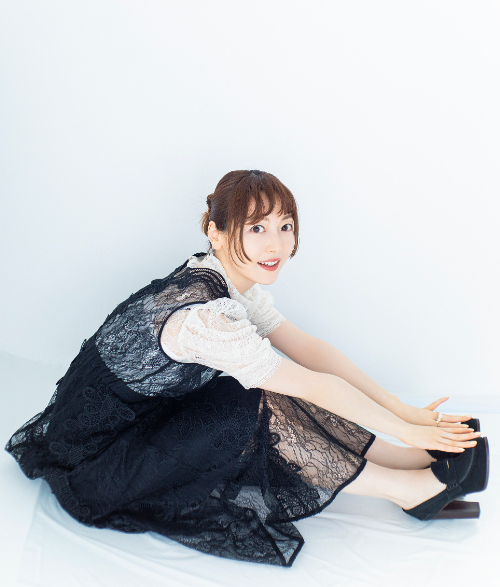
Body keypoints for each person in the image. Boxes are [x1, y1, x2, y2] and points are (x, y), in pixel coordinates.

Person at [5, 169, 489, 568]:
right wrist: (408, 425)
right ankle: (408, 489)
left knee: (257, 388)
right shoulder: (204, 318)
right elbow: (312, 385)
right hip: (98, 464)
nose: (275, 243)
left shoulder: (226, 279)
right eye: (256, 228)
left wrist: (404, 412)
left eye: (285, 225)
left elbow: (311, 350)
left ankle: (409, 460)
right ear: (215, 233)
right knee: (255, 403)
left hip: (142, 424)